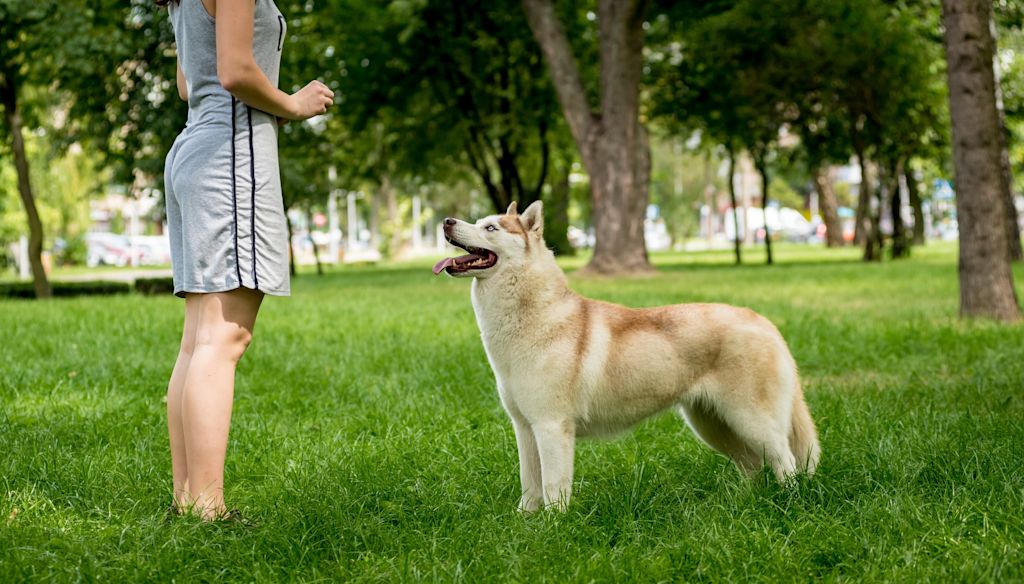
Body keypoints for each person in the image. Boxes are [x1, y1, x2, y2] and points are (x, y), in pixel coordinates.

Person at [159, 0, 333, 520]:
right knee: (222, 340)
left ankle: (189, 500)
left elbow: (189, 85)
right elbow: (235, 71)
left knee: (199, 341)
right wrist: (293, 103)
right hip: (229, 158)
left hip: (195, 148)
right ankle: (208, 509)